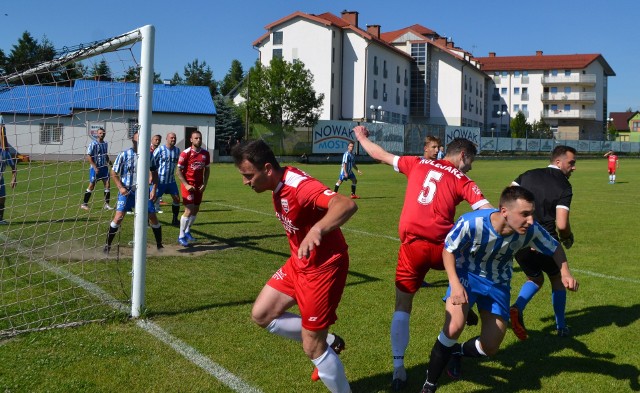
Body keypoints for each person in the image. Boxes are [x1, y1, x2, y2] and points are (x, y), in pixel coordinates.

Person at [352, 126, 491, 391]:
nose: (469, 168)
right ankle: (465, 305)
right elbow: (486, 212)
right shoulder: (462, 180)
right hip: (445, 249)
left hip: (412, 246)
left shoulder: (418, 163)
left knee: (403, 305)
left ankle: (398, 370)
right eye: (470, 163)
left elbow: (379, 154)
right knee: (467, 270)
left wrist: (361, 137)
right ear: (462, 155)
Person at [419, 186, 579, 393]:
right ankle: (429, 385)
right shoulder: (472, 222)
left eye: (532, 214)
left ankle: (457, 353)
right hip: (467, 275)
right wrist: (455, 284)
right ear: (504, 211)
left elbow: (555, 247)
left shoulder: (530, 230)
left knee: (491, 346)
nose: (530, 220)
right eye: (524, 214)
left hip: (498, 283)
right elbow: (449, 250)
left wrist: (565, 272)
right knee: (453, 327)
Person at [231, 139, 357, 393]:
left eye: (248, 175)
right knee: (262, 314)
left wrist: (319, 229)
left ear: (267, 169)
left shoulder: (299, 186)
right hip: (299, 263)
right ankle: (329, 341)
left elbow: (346, 204)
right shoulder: (279, 184)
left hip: (323, 268)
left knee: (312, 346)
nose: (245, 182)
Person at [509, 145, 578, 339]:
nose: (573, 167)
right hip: (545, 240)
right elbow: (562, 224)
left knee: (535, 278)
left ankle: (517, 307)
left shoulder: (528, 174)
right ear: (558, 161)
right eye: (571, 163)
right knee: (557, 278)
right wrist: (567, 238)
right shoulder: (564, 185)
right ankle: (561, 326)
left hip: (519, 239)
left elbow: (506, 198)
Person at [104, 132, 163, 254]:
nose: (139, 143)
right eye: (137, 140)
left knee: (152, 217)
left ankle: (159, 246)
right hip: (127, 191)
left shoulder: (149, 155)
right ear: (133, 140)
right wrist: (120, 187)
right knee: (119, 217)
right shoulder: (124, 155)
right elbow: (113, 172)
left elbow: (155, 173)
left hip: (143, 192)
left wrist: (154, 189)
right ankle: (107, 246)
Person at [176, 130, 210, 247]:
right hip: (188, 185)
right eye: (196, 138)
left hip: (199, 186)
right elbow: (178, 171)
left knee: (195, 210)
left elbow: (207, 170)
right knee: (189, 209)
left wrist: (204, 184)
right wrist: (186, 185)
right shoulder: (185, 153)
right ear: (191, 140)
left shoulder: (205, 153)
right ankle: (181, 236)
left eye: (200, 138)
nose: (198, 140)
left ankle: (187, 231)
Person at [152, 132, 181, 226]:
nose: (173, 139)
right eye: (172, 138)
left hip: (171, 181)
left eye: (175, 138)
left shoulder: (177, 150)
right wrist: (151, 176)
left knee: (177, 199)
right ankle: (147, 220)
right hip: (160, 180)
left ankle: (175, 219)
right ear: (167, 138)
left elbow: (179, 164)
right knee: (152, 199)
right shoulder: (160, 150)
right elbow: (151, 163)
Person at [81, 128, 112, 211]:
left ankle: (106, 204)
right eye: (100, 133)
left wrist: (109, 162)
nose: (102, 134)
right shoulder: (93, 144)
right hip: (95, 168)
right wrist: (95, 167)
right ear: (97, 134)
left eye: (103, 133)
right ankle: (84, 204)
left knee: (108, 185)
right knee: (92, 185)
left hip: (104, 168)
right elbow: (88, 156)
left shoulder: (105, 143)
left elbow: (105, 154)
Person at [0, 144, 17, 224]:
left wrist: (14, 179)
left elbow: (13, 166)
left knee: (2, 198)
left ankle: (0, 219)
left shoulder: (5, 153)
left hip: (0, 179)